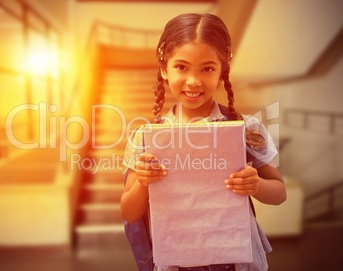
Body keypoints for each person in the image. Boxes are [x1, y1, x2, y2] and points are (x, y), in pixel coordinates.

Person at [120, 13, 286, 271]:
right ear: (164, 69)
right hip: (175, 263)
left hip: (236, 262)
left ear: (222, 72)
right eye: (181, 67)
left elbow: (279, 193)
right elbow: (129, 213)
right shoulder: (146, 137)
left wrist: (256, 185)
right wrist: (143, 182)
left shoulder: (246, 128)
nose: (194, 81)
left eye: (207, 68)